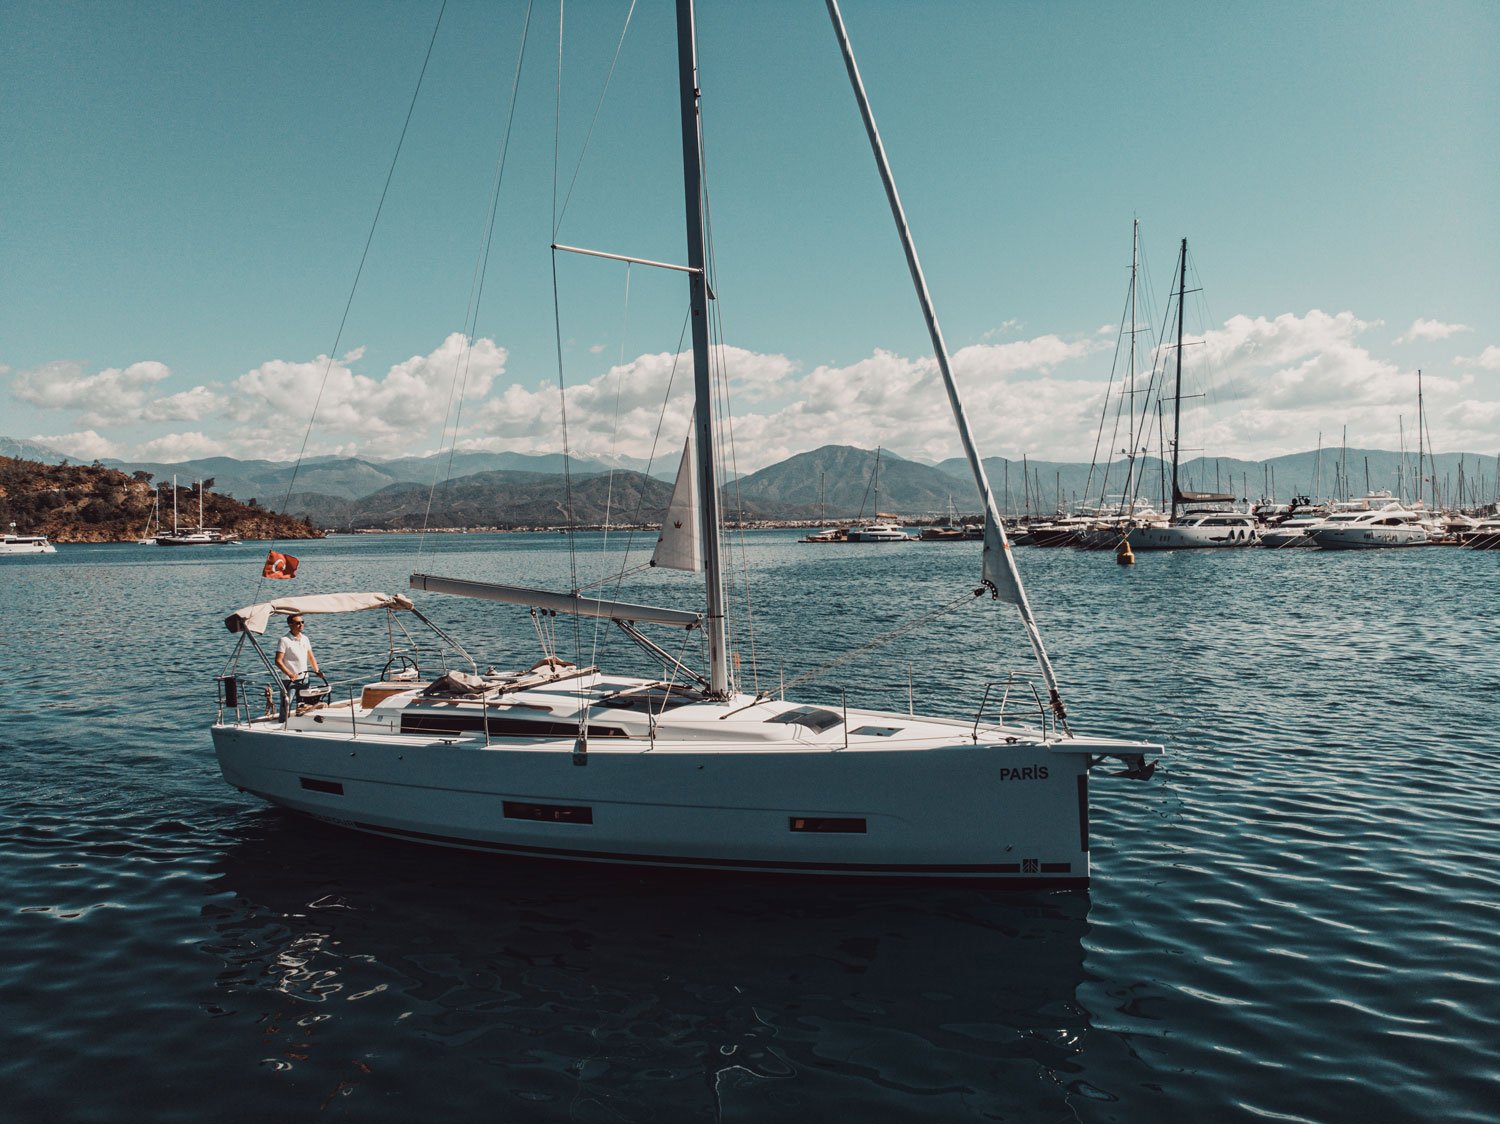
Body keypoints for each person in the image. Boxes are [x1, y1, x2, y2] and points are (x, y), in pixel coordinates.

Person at [274, 614, 319, 716]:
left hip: (305, 678)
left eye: (302, 622)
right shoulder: (284, 640)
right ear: (290, 625)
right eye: (298, 623)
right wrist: (290, 674)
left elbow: (311, 657)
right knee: (286, 704)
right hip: (289, 680)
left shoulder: (305, 639)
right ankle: (283, 723)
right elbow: (278, 661)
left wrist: (317, 671)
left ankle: (301, 723)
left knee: (305, 705)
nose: (301, 625)